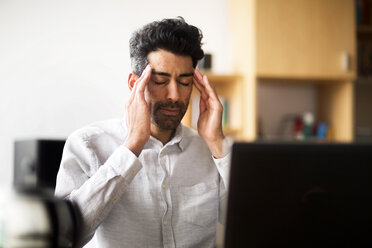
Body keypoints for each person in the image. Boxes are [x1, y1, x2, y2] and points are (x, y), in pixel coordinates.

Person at [55, 17, 231, 248]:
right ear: (134, 83)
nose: (175, 95)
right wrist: (132, 147)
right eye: (160, 81)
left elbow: (258, 223)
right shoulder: (87, 144)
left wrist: (218, 144)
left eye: (184, 82)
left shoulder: (210, 151)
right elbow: (63, 237)